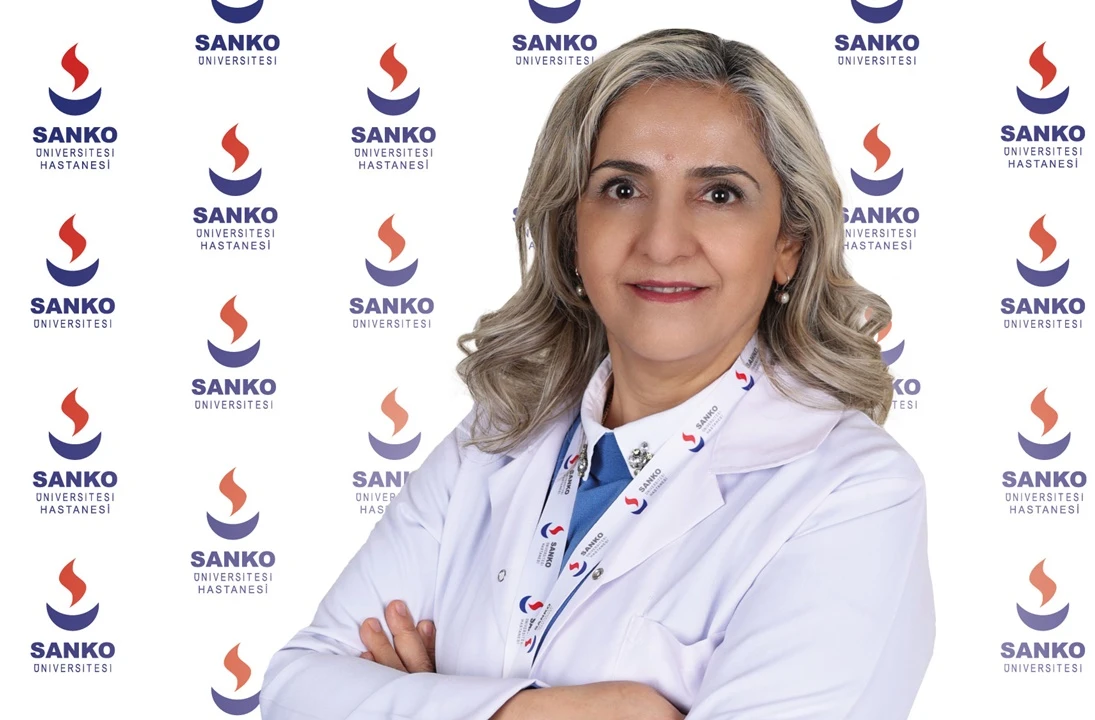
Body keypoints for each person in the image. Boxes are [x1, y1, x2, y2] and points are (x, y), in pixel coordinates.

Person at [261, 28, 933, 720]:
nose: (663, 242)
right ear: (571, 232)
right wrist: (549, 711)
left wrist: (420, 700)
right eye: (622, 188)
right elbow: (294, 688)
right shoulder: (495, 436)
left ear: (788, 242)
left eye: (719, 194)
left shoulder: (854, 492)